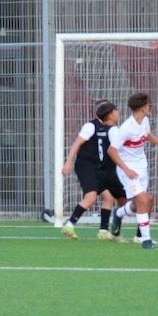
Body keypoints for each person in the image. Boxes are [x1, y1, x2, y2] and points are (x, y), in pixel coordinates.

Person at [108, 92, 158, 249]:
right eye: (147, 105)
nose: (149, 107)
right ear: (142, 108)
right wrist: (126, 170)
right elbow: (111, 150)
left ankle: (118, 214)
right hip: (127, 169)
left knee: (142, 202)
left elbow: (147, 135)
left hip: (141, 167)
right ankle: (146, 240)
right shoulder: (127, 128)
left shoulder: (145, 121)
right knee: (143, 200)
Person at [60, 100, 128, 240]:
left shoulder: (111, 129)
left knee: (109, 197)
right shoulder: (90, 126)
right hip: (86, 166)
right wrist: (68, 163)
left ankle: (103, 231)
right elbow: (76, 144)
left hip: (100, 167)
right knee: (91, 196)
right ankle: (69, 224)